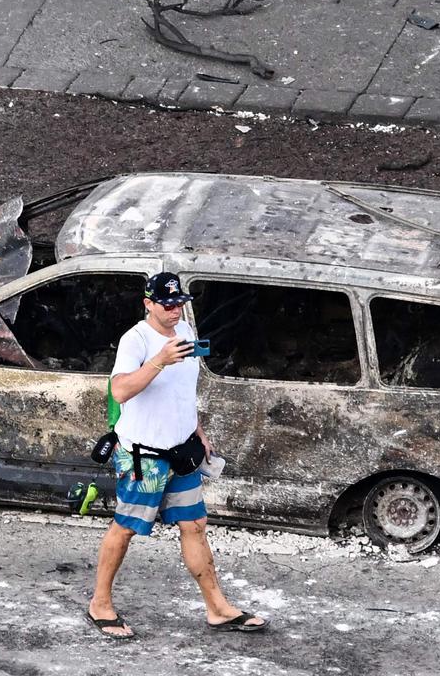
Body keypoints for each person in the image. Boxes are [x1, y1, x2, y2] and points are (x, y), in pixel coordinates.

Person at [86, 272, 267, 639]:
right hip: (144, 457)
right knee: (125, 527)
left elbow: (183, 390)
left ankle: (217, 608)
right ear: (148, 304)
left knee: (195, 526)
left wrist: (197, 431)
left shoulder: (185, 332)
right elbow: (119, 391)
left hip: (182, 453)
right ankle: (100, 604)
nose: (174, 310)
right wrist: (159, 361)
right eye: (166, 304)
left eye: (179, 303)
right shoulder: (135, 340)